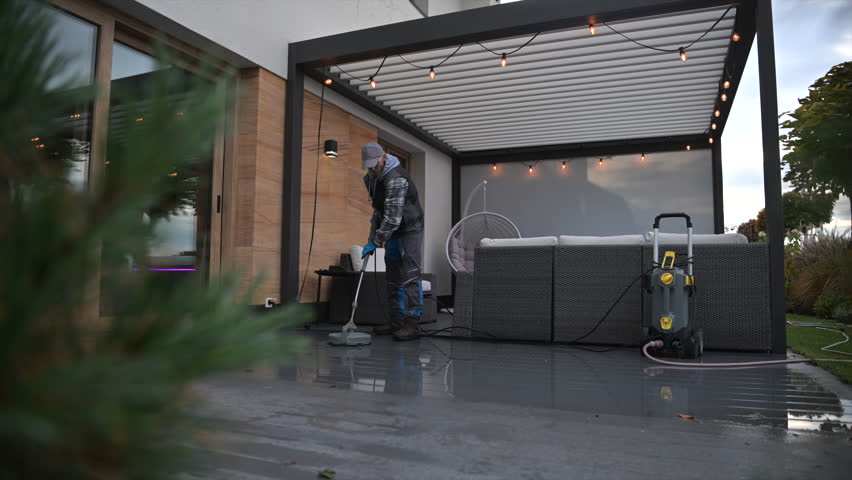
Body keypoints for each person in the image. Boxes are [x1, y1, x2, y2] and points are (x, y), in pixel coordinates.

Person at [361, 142, 424, 341]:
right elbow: (379, 212)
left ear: (384, 157)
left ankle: (412, 323)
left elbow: (392, 219)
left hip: (409, 229)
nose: (372, 168)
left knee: (409, 273)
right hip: (393, 231)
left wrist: (376, 241)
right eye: (368, 165)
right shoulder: (370, 178)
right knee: (392, 274)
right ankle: (396, 320)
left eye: (375, 163)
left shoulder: (397, 179)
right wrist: (372, 235)